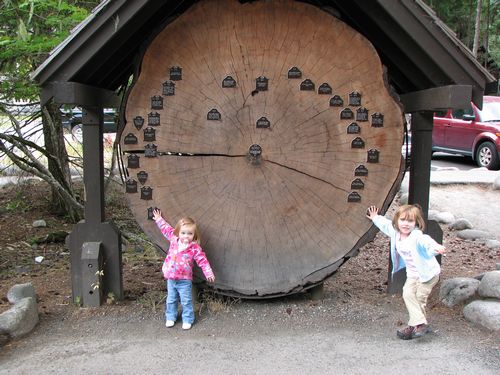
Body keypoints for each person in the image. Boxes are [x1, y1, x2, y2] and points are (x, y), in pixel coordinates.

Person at [366, 204, 446, 340]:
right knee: (408, 294)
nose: (406, 224)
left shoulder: (416, 236)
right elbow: (385, 225)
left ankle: (416, 325)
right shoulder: (395, 233)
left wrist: (436, 247)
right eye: (403, 220)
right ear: (396, 221)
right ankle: (419, 325)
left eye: (410, 221)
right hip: (413, 274)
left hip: (427, 274)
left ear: (416, 223)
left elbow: (427, 242)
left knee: (419, 298)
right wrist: (375, 217)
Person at [152, 208, 215, 330]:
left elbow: (203, 261)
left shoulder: (194, 248)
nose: (186, 236)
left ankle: (188, 319)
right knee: (171, 299)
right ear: (178, 233)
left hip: (184, 280)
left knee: (186, 301)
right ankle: (170, 317)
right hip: (170, 277)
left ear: (194, 235)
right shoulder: (174, 239)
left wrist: (208, 273)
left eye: (190, 233)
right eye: (183, 233)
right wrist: (159, 219)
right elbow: (166, 229)